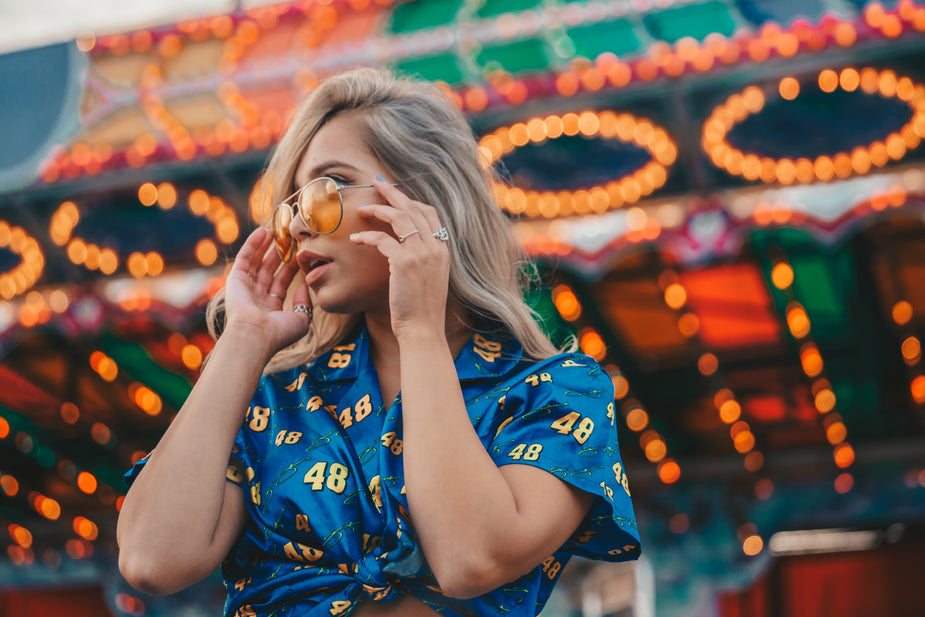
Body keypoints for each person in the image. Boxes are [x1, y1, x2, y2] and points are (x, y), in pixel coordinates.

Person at [116, 66, 640, 617]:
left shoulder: (558, 394)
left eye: (326, 189)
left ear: (424, 197)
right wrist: (243, 339)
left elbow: (469, 559)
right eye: (289, 209)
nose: (298, 227)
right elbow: (153, 559)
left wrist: (419, 330)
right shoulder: (270, 401)